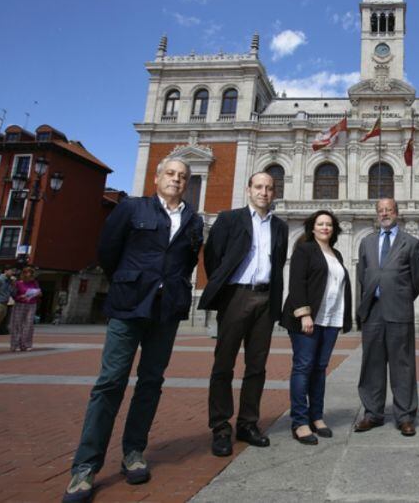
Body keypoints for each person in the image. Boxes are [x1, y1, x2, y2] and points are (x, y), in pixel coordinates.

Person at [63, 156, 203, 502]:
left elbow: (187, 261)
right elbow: (108, 250)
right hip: (129, 306)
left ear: (188, 183)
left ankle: (134, 452)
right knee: (110, 382)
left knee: (151, 382)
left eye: (182, 176)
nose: (176, 180)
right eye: (170, 173)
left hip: (166, 309)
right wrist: (129, 282)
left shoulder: (193, 219)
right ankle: (85, 466)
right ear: (156, 177)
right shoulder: (131, 208)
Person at [199, 172, 288, 457]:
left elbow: (278, 264)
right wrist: (225, 288)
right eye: (259, 187)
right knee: (223, 364)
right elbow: (213, 257)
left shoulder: (280, 227)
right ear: (248, 189)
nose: (264, 192)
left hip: (265, 298)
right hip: (235, 296)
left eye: (269, 188)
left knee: (257, 366)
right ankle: (220, 427)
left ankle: (248, 423)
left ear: (275, 193)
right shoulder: (229, 219)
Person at [280, 210, 351, 444]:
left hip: (330, 319)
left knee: (320, 368)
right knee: (303, 367)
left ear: (334, 229)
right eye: (320, 224)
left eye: (328, 224)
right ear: (312, 228)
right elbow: (297, 282)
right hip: (308, 318)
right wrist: (304, 314)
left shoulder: (336, 254)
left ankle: (316, 417)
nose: (324, 228)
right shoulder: (305, 249)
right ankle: (300, 422)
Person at [355, 198, 419, 436]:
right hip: (373, 311)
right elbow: (363, 275)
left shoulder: (411, 243)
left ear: (397, 213)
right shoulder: (366, 242)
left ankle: (405, 416)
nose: (384, 214)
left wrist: (399, 295)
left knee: (402, 365)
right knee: (371, 364)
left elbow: (417, 279)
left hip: (399, 310)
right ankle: (372, 414)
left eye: (389, 210)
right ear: (377, 214)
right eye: (381, 210)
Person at [9, 266, 41, 352]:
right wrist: (20, 297)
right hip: (20, 305)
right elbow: (13, 295)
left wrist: (38, 294)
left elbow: (39, 293)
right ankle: (15, 345)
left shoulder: (35, 283)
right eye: (29, 274)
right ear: (24, 274)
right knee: (17, 324)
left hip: (31, 304)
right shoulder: (18, 283)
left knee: (29, 324)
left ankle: (26, 345)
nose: (31, 277)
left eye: (32, 275)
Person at [0, 266, 15, 335]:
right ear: (5, 271)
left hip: (5, 303)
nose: (12, 273)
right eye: (11, 271)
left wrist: (13, 284)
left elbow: (12, 292)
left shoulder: (9, 281)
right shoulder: (0, 279)